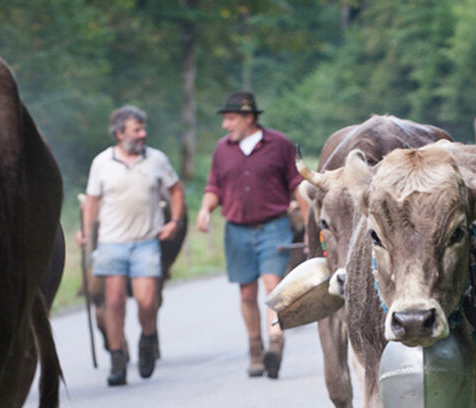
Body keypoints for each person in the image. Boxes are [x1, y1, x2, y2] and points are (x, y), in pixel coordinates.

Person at [195, 91, 307, 379]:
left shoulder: (278, 144)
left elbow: (297, 186)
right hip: (237, 230)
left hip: (273, 226)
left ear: (248, 117)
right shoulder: (222, 150)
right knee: (246, 292)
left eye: (230, 119)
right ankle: (255, 349)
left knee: (273, 285)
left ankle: (276, 342)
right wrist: (205, 210)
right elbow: (214, 188)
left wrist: (310, 226)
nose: (225, 125)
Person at [78, 105, 185, 386]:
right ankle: (117, 359)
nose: (143, 135)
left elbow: (175, 189)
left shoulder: (156, 159)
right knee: (113, 302)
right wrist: (85, 231)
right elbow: (92, 200)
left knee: (147, 301)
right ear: (119, 133)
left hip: (146, 242)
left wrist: (174, 221)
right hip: (112, 242)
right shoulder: (102, 162)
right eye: (137, 130)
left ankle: (147, 339)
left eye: (143, 129)